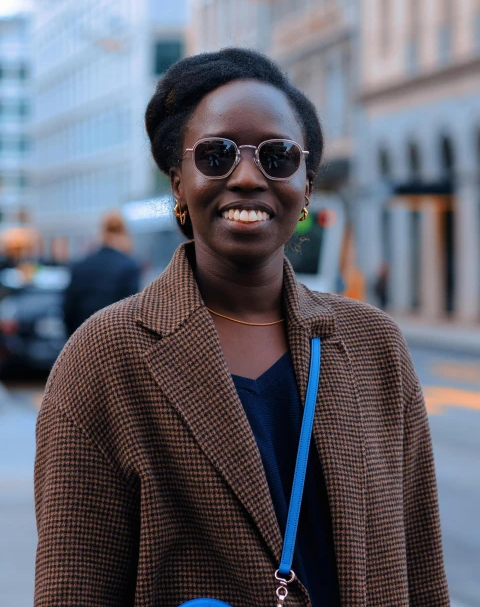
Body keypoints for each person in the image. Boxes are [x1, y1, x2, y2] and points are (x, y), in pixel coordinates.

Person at [34, 49, 449, 607]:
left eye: (278, 156)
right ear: (178, 183)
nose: (249, 176)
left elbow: (420, 570)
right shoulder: (104, 357)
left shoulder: (375, 346)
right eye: (217, 154)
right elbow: (71, 589)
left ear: (305, 186)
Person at [62, 210, 140, 336]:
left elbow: (68, 310)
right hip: (115, 341)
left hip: (81, 339)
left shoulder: (81, 265)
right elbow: (131, 313)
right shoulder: (129, 267)